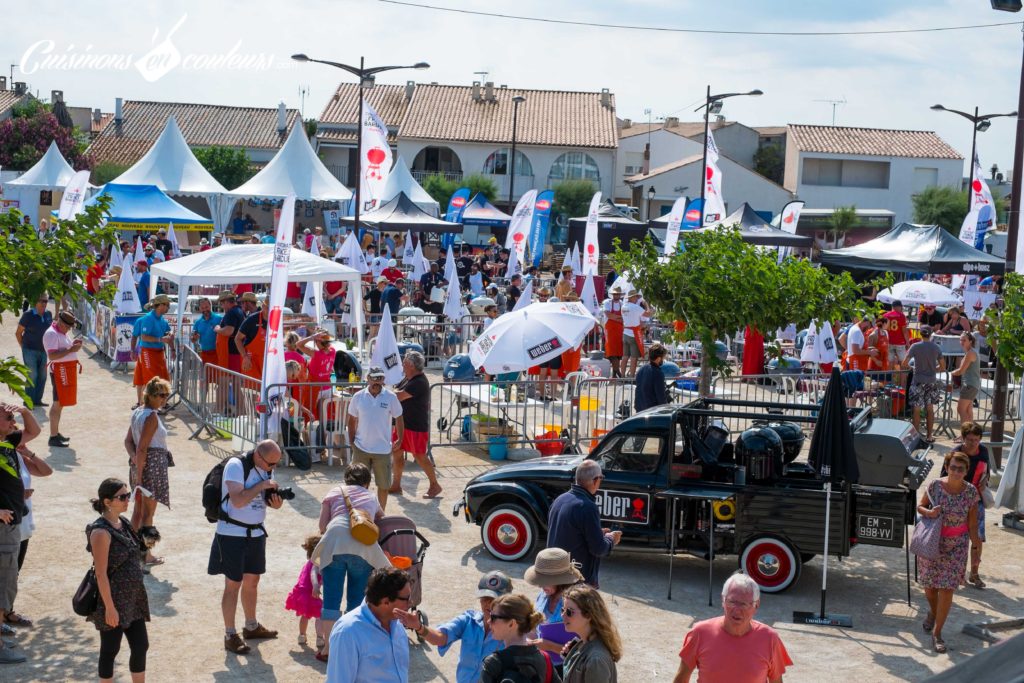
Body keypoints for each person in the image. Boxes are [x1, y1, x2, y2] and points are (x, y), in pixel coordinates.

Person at [208, 440, 284, 655]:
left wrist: (275, 502)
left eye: (276, 464)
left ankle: (251, 626)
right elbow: (238, 501)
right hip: (232, 533)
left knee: (252, 581)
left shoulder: (264, 469)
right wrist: (261, 486)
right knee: (233, 584)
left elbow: (261, 499)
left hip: (256, 532)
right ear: (258, 455)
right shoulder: (236, 465)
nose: (272, 469)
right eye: (271, 464)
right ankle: (230, 634)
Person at [313, 463, 389, 662]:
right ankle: (351, 648)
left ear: (345, 479)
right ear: (367, 482)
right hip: (363, 548)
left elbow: (322, 526)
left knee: (331, 600)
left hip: (334, 545)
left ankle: (328, 649)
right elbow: (382, 520)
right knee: (356, 603)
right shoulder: (371, 497)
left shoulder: (333, 493)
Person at [396, 570, 512, 683]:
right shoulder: (469, 620)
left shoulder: (512, 631)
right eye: (484, 598)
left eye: (494, 599)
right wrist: (419, 627)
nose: (488, 604)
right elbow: (440, 638)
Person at [673, 573, 792, 683]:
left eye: (744, 604)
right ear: (723, 601)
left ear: (756, 605)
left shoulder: (770, 639)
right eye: (731, 602)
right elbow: (681, 679)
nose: (736, 610)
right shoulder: (700, 633)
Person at [87, 478, 151, 681]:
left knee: (141, 646)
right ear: (107, 502)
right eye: (122, 497)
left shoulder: (122, 522)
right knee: (110, 650)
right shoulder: (100, 532)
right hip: (113, 600)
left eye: (128, 495)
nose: (127, 500)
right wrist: (109, 608)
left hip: (133, 599)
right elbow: (101, 573)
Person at [918, 451, 981, 653]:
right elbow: (920, 506)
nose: (956, 471)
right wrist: (929, 512)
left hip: (957, 546)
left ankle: (937, 633)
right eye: (953, 467)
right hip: (932, 543)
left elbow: (972, 524)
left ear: (966, 471)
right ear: (947, 467)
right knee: (929, 587)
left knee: (947, 588)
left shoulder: (971, 492)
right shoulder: (935, 485)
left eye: (960, 469)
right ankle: (933, 612)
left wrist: (976, 546)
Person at [3, 403, 47, 631]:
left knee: (11, 573)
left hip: (18, 523)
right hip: (5, 523)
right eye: (8, 417)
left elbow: (34, 432)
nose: (13, 422)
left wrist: (24, 411)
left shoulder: (8, 443)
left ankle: (7, 613)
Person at [326, 566, 412, 683]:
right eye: (406, 599)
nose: (410, 603)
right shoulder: (347, 632)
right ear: (385, 602)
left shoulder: (396, 623)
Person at [546, 460, 621, 588]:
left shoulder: (560, 499)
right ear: (595, 480)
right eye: (601, 478)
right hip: (575, 579)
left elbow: (569, 533)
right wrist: (611, 539)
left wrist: (597, 532)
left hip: (554, 572)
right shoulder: (587, 507)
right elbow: (598, 548)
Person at [124, 377, 174, 565]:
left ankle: (131, 551)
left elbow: (128, 442)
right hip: (150, 467)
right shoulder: (151, 416)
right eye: (161, 395)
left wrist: (135, 460)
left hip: (141, 465)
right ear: (151, 396)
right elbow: (143, 447)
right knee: (148, 515)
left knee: (138, 512)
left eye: (166, 395)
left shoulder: (138, 412)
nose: (165, 398)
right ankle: (146, 555)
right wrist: (140, 466)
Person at [347, 367, 404, 510]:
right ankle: (360, 514)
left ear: (384, 379)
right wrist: (351, 440)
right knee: (357, 486)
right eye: (374, 378)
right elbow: (351, 419)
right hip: (361, 447)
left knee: (383, 486)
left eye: (380, 378)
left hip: (383, 450)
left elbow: (399, 417)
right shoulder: (358, 396)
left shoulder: (391, 397)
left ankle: (381, 514)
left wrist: (400, 438)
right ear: (368, 379)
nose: (377, 381)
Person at [941, 423, 989, 589]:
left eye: (977, 440)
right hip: (956, 501)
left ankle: (974, 573)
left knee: (978, 537)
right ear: (962, 438)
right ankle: (956, 573)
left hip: (977, 500)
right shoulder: (955, 454)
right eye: (969, 440)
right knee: (955, 538)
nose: (973, 443)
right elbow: (943, 476)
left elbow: (986, 471)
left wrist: (985, 480)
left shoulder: (983, 451)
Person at [389, 351, 441, 498]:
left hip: (416, 426)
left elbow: (398, 396)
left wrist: (390, 393)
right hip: (403, 425)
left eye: (404, 362)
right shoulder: (408, 378)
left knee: (420, 457)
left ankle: (434, 485)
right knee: (397, 453)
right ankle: (396, 484)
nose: (402, 364)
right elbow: (397, 392)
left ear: (411, 365)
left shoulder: (419, 382)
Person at [524, 548, 584, 669]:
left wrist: (550, 646)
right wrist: (528, 640)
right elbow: (534, 629)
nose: (540, 585)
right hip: (543, 663)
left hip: (568, 668)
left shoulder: (578, 603)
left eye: (545, 581)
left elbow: (583, 651)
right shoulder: (543, 595)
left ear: (560, 580)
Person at [479, 593, 555, 683]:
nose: (488, 621)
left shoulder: (493, 663)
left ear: (511, 623)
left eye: (493, 617)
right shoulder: (545, 659)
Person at [560, 583, 621, 683]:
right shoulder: (583, 643)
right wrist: (571, 658)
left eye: (569, 612)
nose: (563, 615)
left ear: (588, 615)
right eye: (563, 610)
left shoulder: (596, 660)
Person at [42, 309, 83, 447]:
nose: (68, 330)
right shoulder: (51, 334)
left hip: (64, 371)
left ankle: (55, 433)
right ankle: (53, 436)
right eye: (67, 327)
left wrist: (73, 344)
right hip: (60, 372)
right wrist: (71, 350)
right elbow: (52, 356)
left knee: (60, 403)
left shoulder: (60, 332)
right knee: (57, 403)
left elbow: (63, 348)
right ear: (60, 322)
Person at [901, 325, 945, 444]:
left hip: (918, 380)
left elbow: (904, 363)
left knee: (916, 409)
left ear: (920, 334)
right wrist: (933, 369)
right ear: (931, 334)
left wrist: (914, 368)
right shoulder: (936, 347)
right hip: (931, 381)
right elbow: (943, 366)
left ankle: (916, 437)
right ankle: (930, 436)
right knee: (930, 408)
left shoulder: (915, 346)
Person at [132, 294, 173, 410]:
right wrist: (132, 350)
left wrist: (170, 340)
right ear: (159, 305)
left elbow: (167, 333)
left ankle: (154, 404)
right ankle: (150, 405)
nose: (168, 307)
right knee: (151, 380)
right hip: (147, 352)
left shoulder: (162, 320)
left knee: (160, 378)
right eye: (167, 304)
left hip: (157, 352)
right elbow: (143, 337)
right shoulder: (147, 319)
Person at [285, 534, 323, 651]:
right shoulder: (318, 561)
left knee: (305, 615)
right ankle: (319, 637)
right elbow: (313, 573)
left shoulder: (310, 561)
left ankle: (302, 635)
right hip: (311, 592)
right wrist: (316, 586)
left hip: (302, 591)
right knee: (320, 615)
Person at [16, 294, 52, 409]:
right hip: (29, 350)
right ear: (35, 302)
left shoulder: (48, 314)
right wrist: (23, 347)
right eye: (41, 301)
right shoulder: (28, 315)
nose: (44, 303)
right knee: (32, 375)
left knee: (42, 376)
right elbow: (18, 333)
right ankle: (28, 401)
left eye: (45, 301)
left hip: (44, 351)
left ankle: (37, 400)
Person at [950, 331, 981, 425]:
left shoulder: (970, 353)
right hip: (972, 385)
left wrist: (951, 372)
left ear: (970, 341)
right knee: (968, 411)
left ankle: (965, 434)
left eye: (964, 340)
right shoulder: (970, 352)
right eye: (960, 340)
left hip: (969, 385)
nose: (962, 342)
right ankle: (969, 433)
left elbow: (960, 371)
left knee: (961, 409)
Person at [235, 293, 267, 381]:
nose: (241, 305)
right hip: (251, 361)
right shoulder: (251, 319)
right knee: (253, 390)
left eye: (242, 303)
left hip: (267, 361)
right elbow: (237, 338)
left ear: (247, 302)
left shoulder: (275, 320)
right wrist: (244, 356)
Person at [214, 291, 245, 372]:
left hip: (230, 351)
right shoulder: (239, 310)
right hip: (237, 350)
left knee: (228, 377)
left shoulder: (231, 313)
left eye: (222, 303)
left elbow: (229, 331)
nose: (222, 306)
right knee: (236, 378)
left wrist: (217, 329)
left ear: (226, 302)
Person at [634, 343, 669, 412]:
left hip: (639, 409)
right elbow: (661, 396)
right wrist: (666, 410)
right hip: (651, 411)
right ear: (659, 358)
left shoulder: (641, 369)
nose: (663, 360)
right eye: (663, 358)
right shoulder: (658, 373)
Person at [620, 291, 647, 377]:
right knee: (633, 358)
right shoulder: (635, 307)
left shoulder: (623, 306)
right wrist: (647, 305)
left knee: (625, 356)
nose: (636, 299)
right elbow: (648, 314)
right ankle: (631, 377)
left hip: (625, 333)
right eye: (635, 297)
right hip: (633, 334)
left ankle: (622, 376)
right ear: (631, 297)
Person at [191, 297, 222, 365]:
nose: (205, 309)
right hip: (204, 354)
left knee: (217, 375)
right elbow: (192, 339)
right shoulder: (198, 322)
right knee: (205, 375)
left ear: (210, 306)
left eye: (206, 307)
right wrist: (194, 338)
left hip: (217, 354)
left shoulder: (219, 319)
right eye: (202, 308)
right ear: (199, 308)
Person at [602, 287, 625, 378]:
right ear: (613, 295)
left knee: (619, 352)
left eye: (618, 294)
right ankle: (618, 372)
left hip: (619, 331)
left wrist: (615, 318)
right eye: (615, 294)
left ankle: (614, 374)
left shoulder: (622, 304)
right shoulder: (607, 303)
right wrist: (619, 318)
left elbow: (623, 317)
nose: (617, 295)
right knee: (612, 351)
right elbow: (608, 315)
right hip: (610, 331)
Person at [882, 300, 910, 371]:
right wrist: (907, 342)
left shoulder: (885, 315)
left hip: (889, 342)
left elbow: (882, 330)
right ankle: (902, 381)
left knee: (889, 362)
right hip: (899, 342)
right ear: (899, 307)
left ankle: (888, 380)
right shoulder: (901, 316)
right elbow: (904, 331)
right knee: (902, 363)